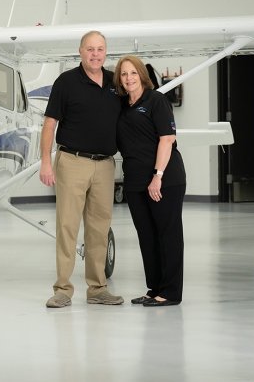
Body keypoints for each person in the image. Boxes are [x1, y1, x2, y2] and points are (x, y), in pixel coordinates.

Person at [40, 30, 123, 308]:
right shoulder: (66, 82)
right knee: (67, 226)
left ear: (105, 52)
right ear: (80, 51)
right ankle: (63, 289)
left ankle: (98, 288)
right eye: (90, 49)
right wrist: (45, 161)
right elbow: (50, 124)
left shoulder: (114, 83)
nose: (95, 54)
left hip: (105, 165)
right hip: (72, 162)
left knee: (99, 229)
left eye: (100, 49)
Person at [113, 55, 186, 307]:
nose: (129, 78)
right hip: (135, 182)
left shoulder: (156, 101)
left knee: (168, 235)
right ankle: (154, 288)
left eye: (133, 73)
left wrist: (158, 176)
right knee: (147, 236)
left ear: (142, 75)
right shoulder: (121, 105)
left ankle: (171, 292)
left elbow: (167, 140)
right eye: (124, 74)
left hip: (164, 179)